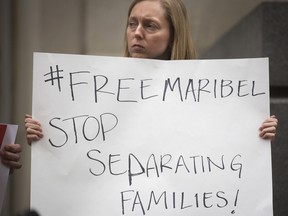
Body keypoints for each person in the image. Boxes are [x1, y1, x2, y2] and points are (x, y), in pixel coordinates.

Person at [25, 0, 278, 144]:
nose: (137, 32)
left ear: (173, 36)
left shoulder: (211, 97)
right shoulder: (95, 95)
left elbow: (226, 150)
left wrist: (256, 134)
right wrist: (45, 139)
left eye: (150, 26)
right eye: (132, 23)